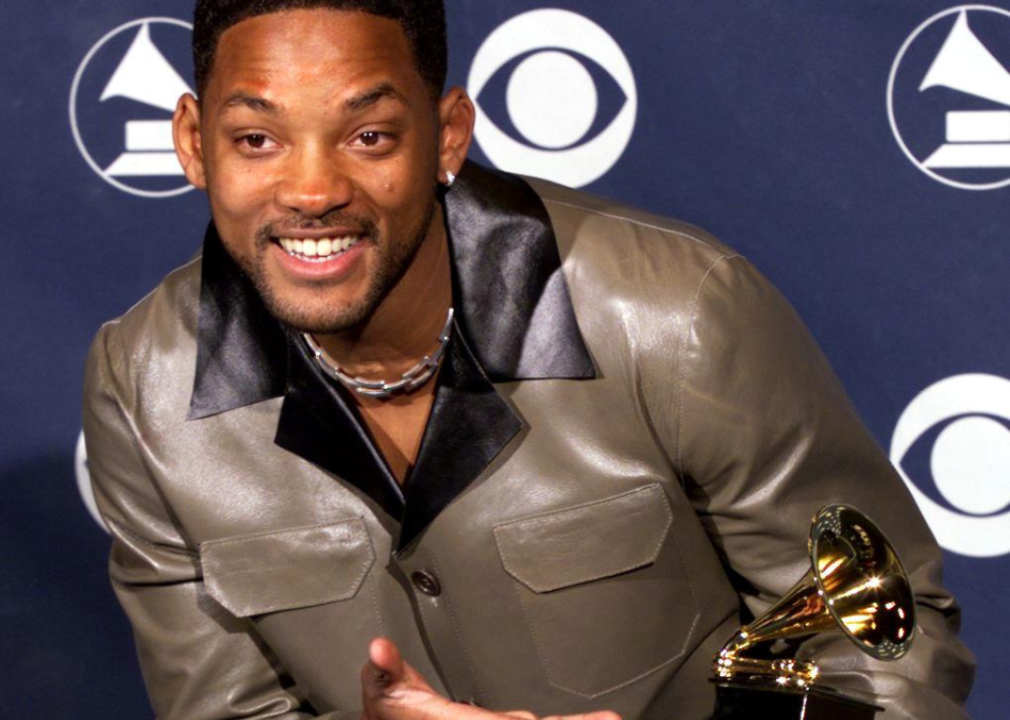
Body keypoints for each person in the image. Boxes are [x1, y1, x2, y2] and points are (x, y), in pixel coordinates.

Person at [82, 1, 975, 719]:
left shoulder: (677, 314)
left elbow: (889, 655)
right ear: (194, 144)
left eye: (369, 137)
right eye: (257, 141)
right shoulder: (140, 386)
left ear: (449, 135)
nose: (313, 191)